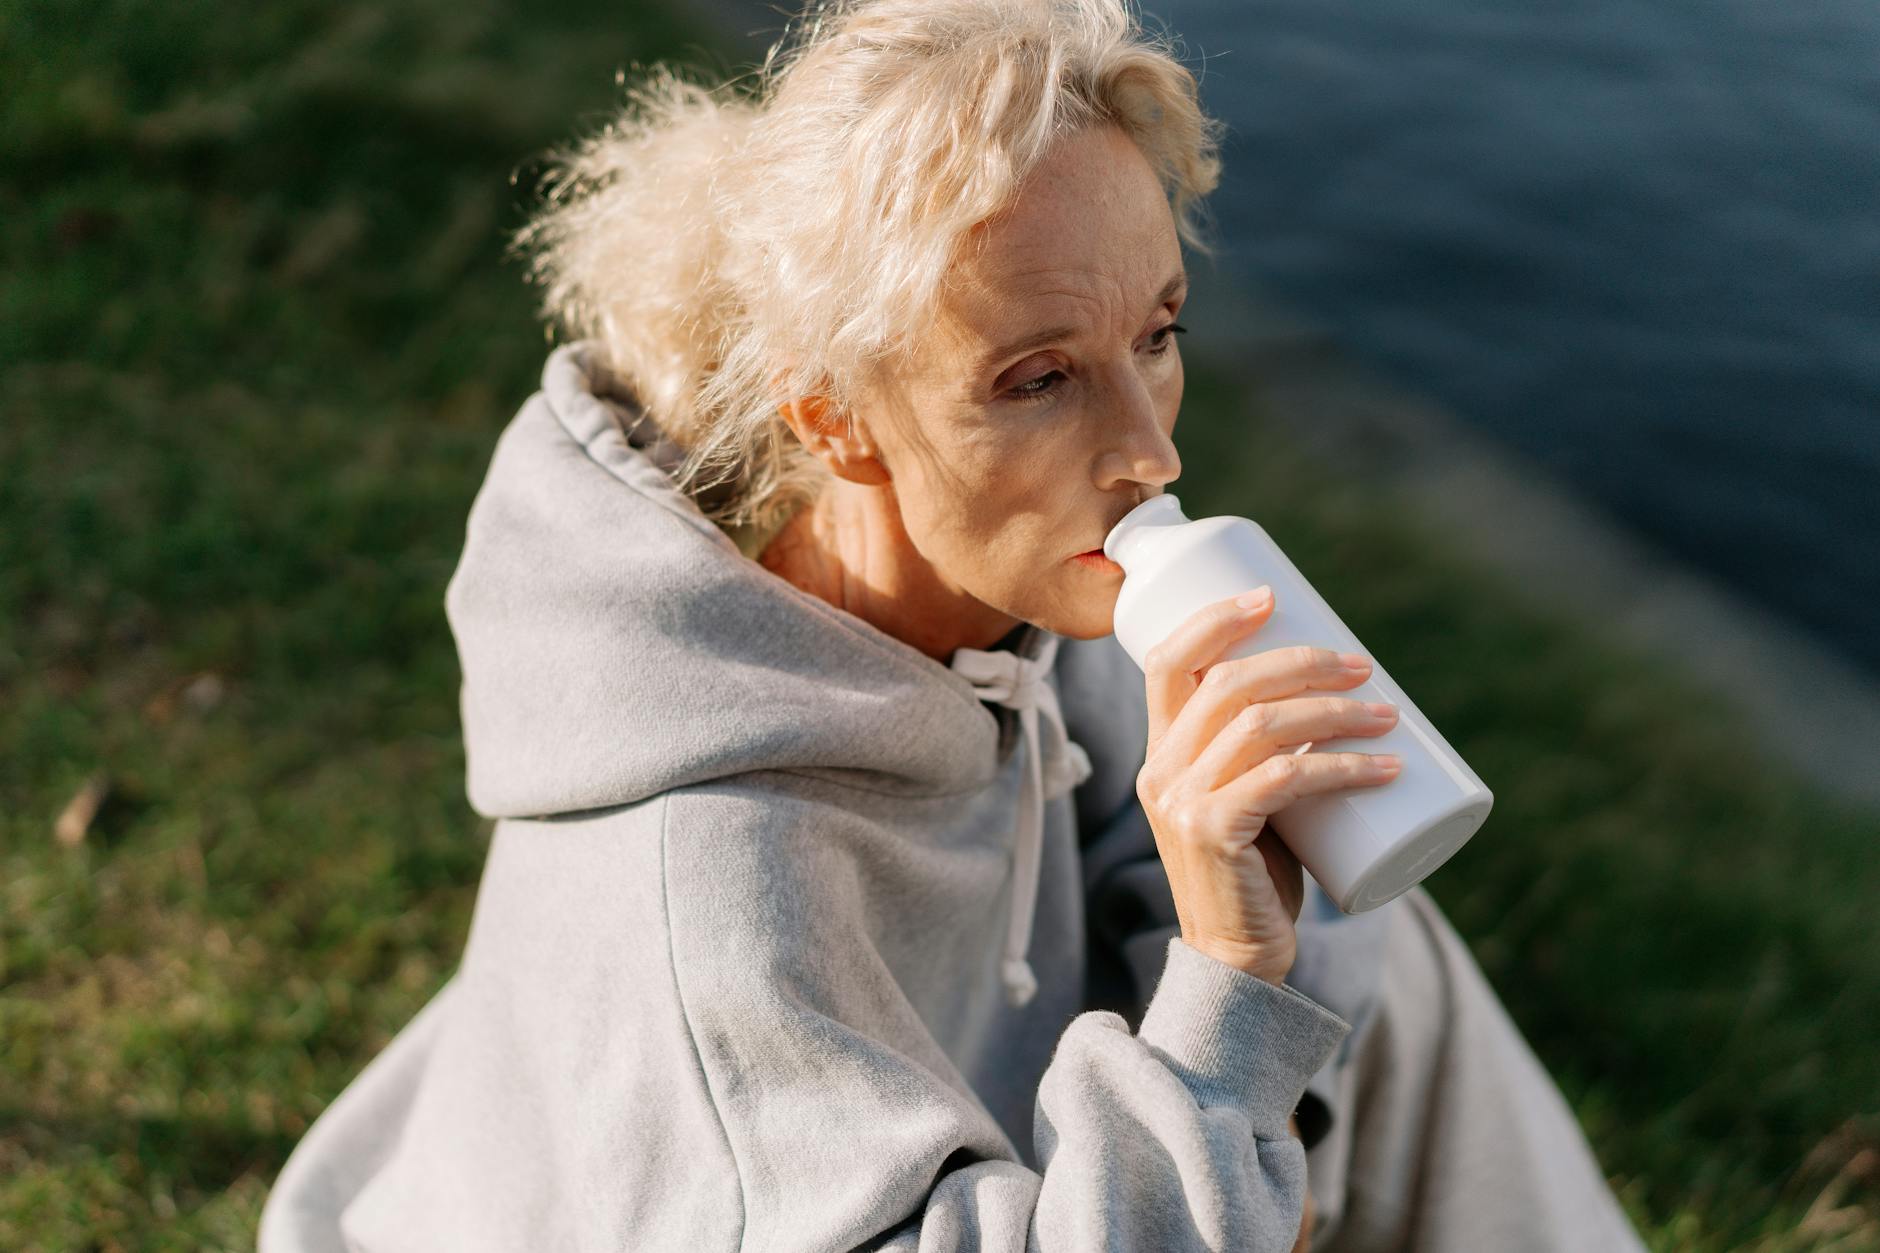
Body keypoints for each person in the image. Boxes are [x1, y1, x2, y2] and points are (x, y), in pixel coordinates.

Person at [258, 1, 1649, 1248]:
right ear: (832, 417)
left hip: (990, 1125)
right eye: (1038, 378)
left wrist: (1256, 946)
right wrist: (1227, 1001)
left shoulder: (1009, 604)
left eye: (1156, 336)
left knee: (1389, 954)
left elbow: (1261, 905)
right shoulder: (723, 884)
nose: (1146, 453)